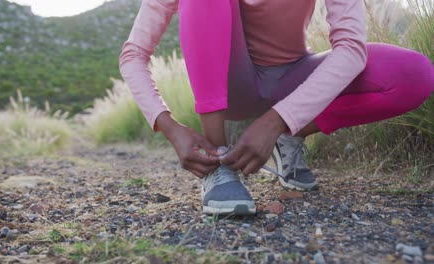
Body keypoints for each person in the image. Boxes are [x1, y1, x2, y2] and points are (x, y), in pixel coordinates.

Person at [120, 0, 434, 215]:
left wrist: (280, 121)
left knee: (413, 76)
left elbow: (351, 48)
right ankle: (218, 163)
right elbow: (134, 54)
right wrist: (169, 126)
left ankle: (289, 137)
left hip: (294, 77)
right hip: (232, 86)